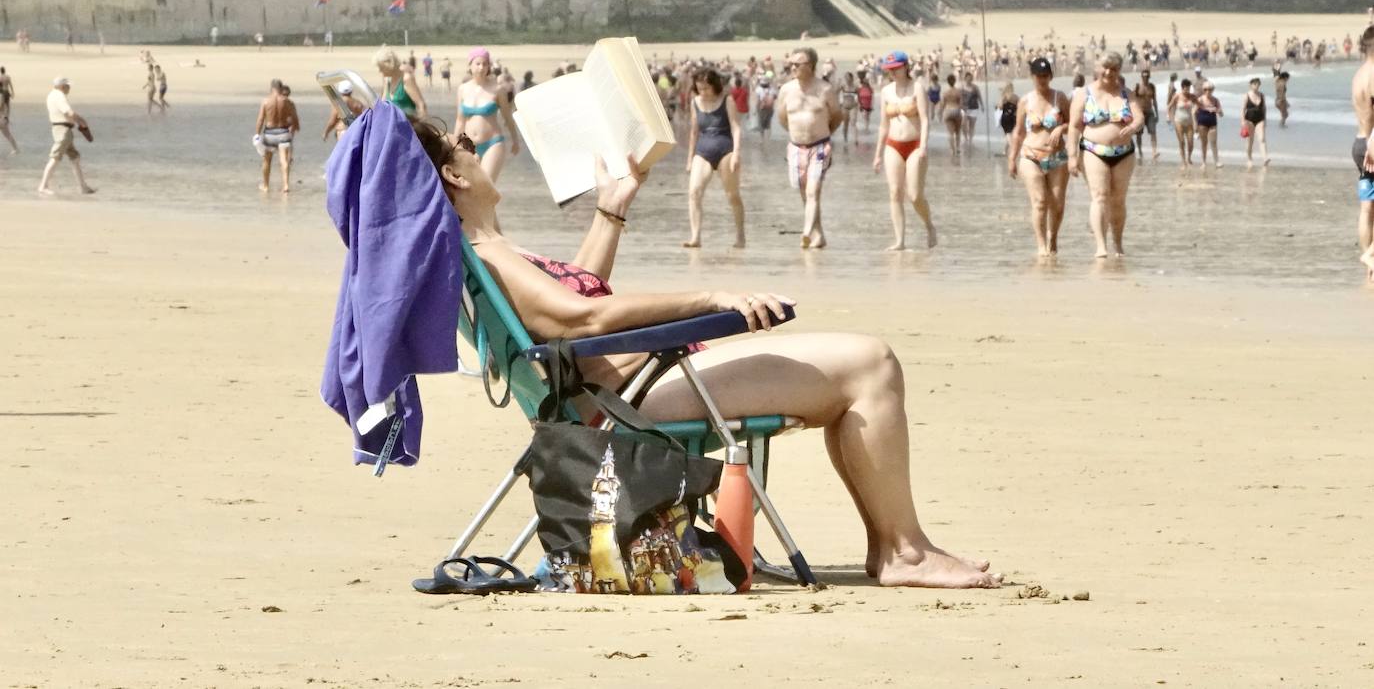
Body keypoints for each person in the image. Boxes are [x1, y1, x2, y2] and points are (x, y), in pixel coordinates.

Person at [407, 118, 1002, 589]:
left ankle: (891, 546)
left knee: (859, 366)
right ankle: (904, 550)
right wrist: (710, 298)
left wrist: (613, 207)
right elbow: (580, 317)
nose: (472, 147)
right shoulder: (487, 252)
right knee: (870, 363)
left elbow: (573, 296)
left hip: (618, 389)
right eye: (462, 144)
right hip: (636, 398)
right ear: (455, 176)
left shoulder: (481, 252)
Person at [1068, 53, 1140, 259]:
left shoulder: (1127, 94)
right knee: (1099, 196)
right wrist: (1072, 156)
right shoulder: (1083, 94)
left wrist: (1134, 125)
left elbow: (1139, 116)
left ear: (1119, 71)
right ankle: (1101, 246)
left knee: (1118, 200)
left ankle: (1117, 242)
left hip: (1124, 153)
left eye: (1114, 69)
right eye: (1106, 68)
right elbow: (1074, 127)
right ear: (1099, 68)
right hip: (1093, 150)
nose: (1109, 72)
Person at [777, 47, 842, 249]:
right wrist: (797, 133)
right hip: (796, 147)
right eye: (792, 63)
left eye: (798, 64)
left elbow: (837, 116)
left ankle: (805, 232)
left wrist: (822, 132)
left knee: (813, 191)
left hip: (820, 145)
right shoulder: (786, 90)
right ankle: (818, 234)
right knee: (807, 194)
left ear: (811, 66)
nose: (793, 67)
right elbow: (782, 118)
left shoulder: (825, 89)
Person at [871, 52, 936, 251]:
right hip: (893, 145)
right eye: (890, 69)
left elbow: (925, 120)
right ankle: (899, 240)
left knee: (914, 195)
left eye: (896, 68)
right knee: (894, 192)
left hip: (915, 144)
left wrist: (924, 145)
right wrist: (877, 154)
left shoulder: (917, 88)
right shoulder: (886, 91)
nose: (893, 72)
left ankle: (929, 226)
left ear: (906, 67)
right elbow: (883, 125)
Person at [1007, 57, 1070, 257]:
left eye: (1045, 75)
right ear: (1032, 77)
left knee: (1057, 203)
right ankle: (1041, 245)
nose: (1042, 79)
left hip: (1057, 157)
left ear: (1050, 76)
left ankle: (1053, 238)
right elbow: (1018, 131)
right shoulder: (1025, 101)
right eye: (1038, 76)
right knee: (1040, 202)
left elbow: (1073, 124)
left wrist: (1061, 128)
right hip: (1030, 155)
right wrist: (1012, 158)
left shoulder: (1059, 98)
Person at [683, 68, 745, 249]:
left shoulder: (727, 100)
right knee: (694, 191)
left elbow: (736, 128)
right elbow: (694, 132)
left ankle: (740, 236)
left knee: (732, 195)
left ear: (715, 86)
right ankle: (695, 237)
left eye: (707, 88)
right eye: (700, 88)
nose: (703, 92)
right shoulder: (695, 102)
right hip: (703, 151)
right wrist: (689, 158)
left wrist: (737, 154)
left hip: (726, 150)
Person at [456, 47, 520, 181]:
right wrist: (453, 145)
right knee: (470, 189)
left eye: (485, 64)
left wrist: (515, 140)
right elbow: (460, 121)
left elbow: (507, 117)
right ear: (470, 65)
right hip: (468, 144)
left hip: (493, 143)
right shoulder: (463, 89)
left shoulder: (497, 90)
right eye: (478, 64)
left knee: (486, 185)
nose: (481, 67)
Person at [38, 77, 95, 196]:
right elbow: (69, 112)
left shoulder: (51, 95)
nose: (69, 88)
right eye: (68, 86)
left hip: (61, 129)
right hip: (63, 131)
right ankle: (43, 186)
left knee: (75, 158)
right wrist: (82, 121)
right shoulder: (59, 96)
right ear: (62, 86)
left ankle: (83, 187)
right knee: (55, 157)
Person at [1351, 26, 1374, 274]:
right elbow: (1371, 115)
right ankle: (1369, 254)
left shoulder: (1359, 74)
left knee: (1368, 207)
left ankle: (1370, 265)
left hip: (1359, 144)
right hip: (1371, 144)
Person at [254, 78, 300, 194]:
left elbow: (260, 119)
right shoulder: (287, 101)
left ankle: (265, 186)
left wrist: (257, 134)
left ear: (271, 88)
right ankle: (285, 185)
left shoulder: (265, 101)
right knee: (284, 160)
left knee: (267, 160)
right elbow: (294, 118)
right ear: (280, 88)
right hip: (284, 132)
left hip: (269, 132)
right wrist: (294, 128)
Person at [375, 45, 428, 120]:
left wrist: (421, 128)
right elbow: (381, 105)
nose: (379, 71)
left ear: (390, 66)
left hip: (408, 127)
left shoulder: (406, 79)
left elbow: (421, 106)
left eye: (381, 68)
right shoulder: (387, 80)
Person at [1167, 77, 1197, 167]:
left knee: (1191, 143)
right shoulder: (1177, 96)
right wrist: (1168, 117)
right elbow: (1169, 106)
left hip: (1189, 122)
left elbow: (1198, 105)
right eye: (1186, 88)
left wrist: (1195, 110)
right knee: (1182, 142)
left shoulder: (1192, 96)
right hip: (1178, 121)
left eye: (1189, 88)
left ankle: (1189, 157)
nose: (1187, 90)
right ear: (1182, 87)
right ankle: (1183, 162)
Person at [1242, 77, 1269, 169]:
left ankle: (1265, 158)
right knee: (1250, 141)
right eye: (1254, 84)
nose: (1256, 86)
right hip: (1249, 120)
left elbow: (1264, 108)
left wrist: (1265, 119)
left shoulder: (1262, 95)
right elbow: (1242, 109)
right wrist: (1242, 121)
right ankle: (1249, 159)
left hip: (1260, 119)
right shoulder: (1247, 95)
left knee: (1262, 139)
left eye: (1258, 84)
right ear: (1250, 85)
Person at [1195, 80, 1223, 167]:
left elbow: (1221, 114)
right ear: (1203, 90)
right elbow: (1193, 112)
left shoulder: (1215, 100)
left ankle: (1217, 161)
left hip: (1212, 123)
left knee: (1213, 142)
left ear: (1213, 90)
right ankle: (1203, 162)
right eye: (1205, 89)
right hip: (1202, 123)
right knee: (1204, 143)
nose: (1208, 91)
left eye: (1210, 89)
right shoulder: (1200, 99)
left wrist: (1217, 110)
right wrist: (1195, 126)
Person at [1133, 69, 1159, 161]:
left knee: (1153, 132)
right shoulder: (1137, 87)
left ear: (1149, 76)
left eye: (1147, 76)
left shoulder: (1152, 86)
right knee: (1139, 134)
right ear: (1141, 77)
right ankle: (1140, 151)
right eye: (1144, 76)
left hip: (1150, 112)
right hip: (1140, 113)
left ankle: (1154, 151)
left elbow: (1154, 100)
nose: (1145, 78)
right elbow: (1133, 101)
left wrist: (1157, 114)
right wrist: (1134, 113)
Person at [938, 75, 963, 159]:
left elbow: (942, 105)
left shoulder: (945, 92)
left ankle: (952, 150)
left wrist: (940, 114)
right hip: (956, 110)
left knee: (950, 133)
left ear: (948, 82)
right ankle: (958, 148)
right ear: (955, 81)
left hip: (948, 110)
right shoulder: (958, 92)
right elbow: (961, 103)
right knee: (958, 131)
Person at [959, 73, 982, 150]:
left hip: (974, 108)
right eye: (968, 78)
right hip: (964, 108)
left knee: (972, 125)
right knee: (963, 124)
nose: (969, 80)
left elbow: (979, 96)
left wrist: (982, 105)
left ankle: (971, 140)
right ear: (965, 79)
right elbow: (959, 98)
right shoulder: (962, 88)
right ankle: (965, 137)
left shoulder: (975, 87)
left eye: (970, 78)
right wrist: (959, 106)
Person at [838, 71, 860, 146]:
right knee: (845, 124)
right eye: (846, 78)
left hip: (853, 106)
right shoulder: (843, 86)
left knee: (853, 123)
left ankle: (856, 140)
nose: (847, 79)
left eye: (848, 78)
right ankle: (845, 139)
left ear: (852, 78)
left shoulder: (855, 86)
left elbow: (859, 96)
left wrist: (860, 105)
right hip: (844, 107)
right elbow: (835, 92)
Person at [996, 81, 1018, 155]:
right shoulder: (1015, 97)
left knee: (1008, 134)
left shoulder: (1004, 96)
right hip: (1014, 118)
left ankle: (1013, 149)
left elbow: (1000, 107)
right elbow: (1020, 107)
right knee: (1009, 134)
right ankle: (1005, 151)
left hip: (1005, 118)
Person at [755, 72, 777, 139]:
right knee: (768, 124)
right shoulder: (772, 89)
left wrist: (756, 109)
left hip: (761, 108)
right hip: (770, 109)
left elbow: (757, 101)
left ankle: (762, 138)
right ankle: (768, 138)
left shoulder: (758, 89)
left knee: (761, 124)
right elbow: (775, 97)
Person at [0, 66, 16, 154]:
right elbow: (10, 85)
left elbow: (1, 106)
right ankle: (16, 149)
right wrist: (12, 92)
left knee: (7, 134)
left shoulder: (0, 78)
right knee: (8, 105)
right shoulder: (8, 77)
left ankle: (16, 149)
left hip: (1, 119)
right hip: (7, 91)